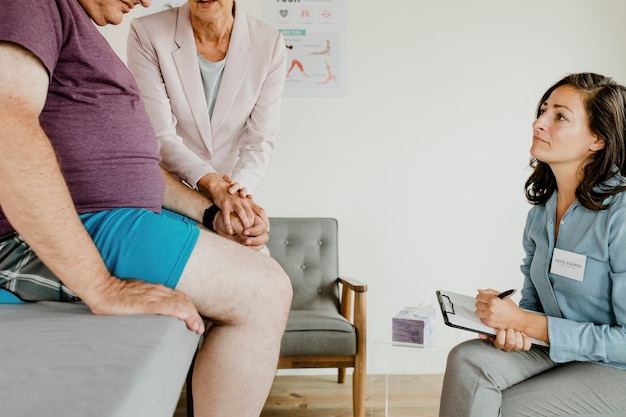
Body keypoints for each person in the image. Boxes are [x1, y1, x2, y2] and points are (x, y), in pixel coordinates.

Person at [0, 1, 292, 416]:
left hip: (120, 217)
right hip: (87, 224)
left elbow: (133, 167)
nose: (146, 0)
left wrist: (211, 214)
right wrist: (103, 288)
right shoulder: (31, 5)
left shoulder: (76, 24)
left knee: (254, 263)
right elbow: (7, 127)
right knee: (264, 291)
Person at [438, 73, 626, 416]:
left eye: (559, 116)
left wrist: (527, 324)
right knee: (466, 360)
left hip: (617, 366)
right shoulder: (542, 212)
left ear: (597, 138)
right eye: (543, 110)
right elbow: (535, 305)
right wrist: (509, 326)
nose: (538, 123)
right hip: (557, 348)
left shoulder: (622, 215)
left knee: (510, 407)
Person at [127, 0, 287, 232]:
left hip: (231, 196)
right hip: (169, 195)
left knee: (252, 257)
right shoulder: (148, 33)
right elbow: (160, 136)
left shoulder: (269, 43)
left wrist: (236, 197)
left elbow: (260, 140)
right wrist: (213, 186)